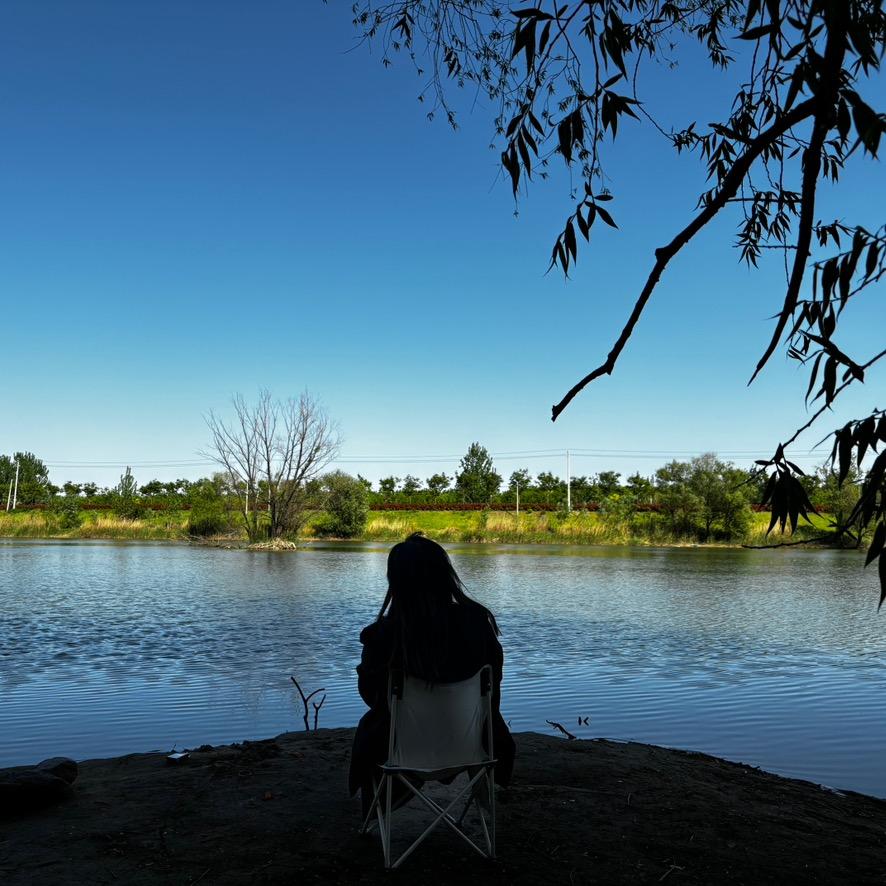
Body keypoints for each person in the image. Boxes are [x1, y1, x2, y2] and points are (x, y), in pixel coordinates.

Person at [348, 533, 516, 814]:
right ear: (445, 575)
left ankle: (382, 805)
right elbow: (493, 686)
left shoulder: (383, 635)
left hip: (399, 749)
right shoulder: (477, 623)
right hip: (474, 744)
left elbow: (371, 697)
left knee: (373, 727)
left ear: (396, 581)